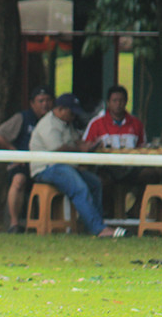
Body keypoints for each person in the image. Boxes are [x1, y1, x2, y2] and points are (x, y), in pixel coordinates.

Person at [29, 93, 127, 237]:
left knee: (94, 183)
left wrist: (89, 145)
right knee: (79, 187)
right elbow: (58, 148)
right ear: (61, 109)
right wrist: (80, 149)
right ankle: (99, 229)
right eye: (72, 112)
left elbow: (76, 141)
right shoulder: (48, 125)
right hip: (47, 167)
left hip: (65, 166)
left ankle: (89, 224)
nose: (74, 116)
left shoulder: (66, 123)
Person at [0, 86, 53, 233]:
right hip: (23, 164)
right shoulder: (23, 118)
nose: (45, 104)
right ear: (32, 103)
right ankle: (14, 224)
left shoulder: (54, 121)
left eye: (48, 100)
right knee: (18, 180)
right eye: (41, 101)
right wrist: (16, 153)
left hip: (46, 165)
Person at [83, 85, 148, 218]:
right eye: (114, 100)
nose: (118, 104)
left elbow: (143, 147)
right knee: (101, 181)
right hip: (106, 168)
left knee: (151, 175)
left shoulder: (136, 123)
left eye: (121, 100)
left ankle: (136, 210)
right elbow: (85, 146)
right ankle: (108, 214)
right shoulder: (96, 123)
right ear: (108, 102)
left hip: (130, 167)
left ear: (126, 102)